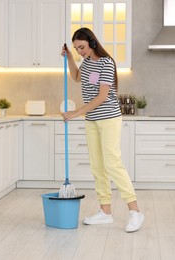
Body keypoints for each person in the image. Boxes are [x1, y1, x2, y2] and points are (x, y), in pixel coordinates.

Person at [61, 27, 144, 232]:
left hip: (109, 119)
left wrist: (75, 112)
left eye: (81, 47)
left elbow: (102, 97)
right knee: (97, 166)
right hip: (92, 120)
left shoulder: (107, 63)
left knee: (112, 163)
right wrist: (70, 58)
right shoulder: (87, 62)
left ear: (92, 42)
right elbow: (77, 76)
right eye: (76, 48)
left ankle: (135, 211)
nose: (80, 51)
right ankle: (105, 212)